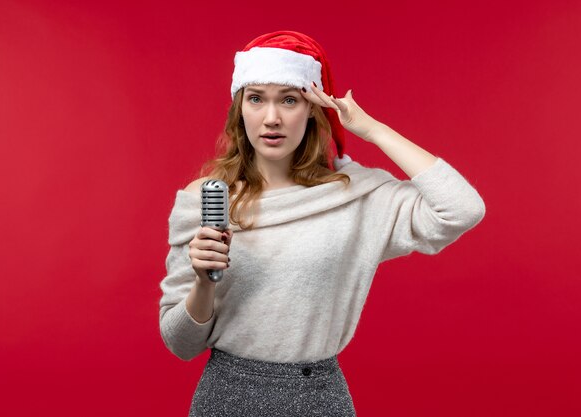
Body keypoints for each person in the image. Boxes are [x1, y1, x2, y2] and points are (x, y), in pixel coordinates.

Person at [158, 30, 486, 417]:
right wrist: (201, 281)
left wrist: (372, 130)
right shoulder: (207, 198)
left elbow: (462, 209)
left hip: (319, 398)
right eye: (257, 98)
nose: (272, 118)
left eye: (290, 100)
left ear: (312, 109)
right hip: (227, 396)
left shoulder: (354, 197)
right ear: (239, 108)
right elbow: (180, 343)